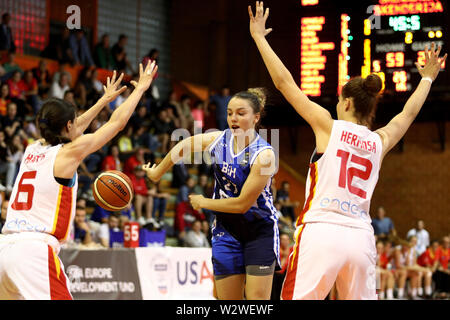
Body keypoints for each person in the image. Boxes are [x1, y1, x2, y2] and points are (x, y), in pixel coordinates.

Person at [248, 2, 447, 300]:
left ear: (348, 103)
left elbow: (284, 83)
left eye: (339, 101)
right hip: (360, 237)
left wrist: (260, 38)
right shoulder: (380, 140)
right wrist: (428, 78)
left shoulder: (327, 126)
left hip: (322, 230)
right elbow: (407, 114)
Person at [0, 61, 157, 299]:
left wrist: (103, 101)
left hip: (5, 248)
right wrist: (140, 89)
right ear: (68, 125)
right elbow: (117, 124)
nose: (79, 123)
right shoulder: (68, 153)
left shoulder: (33, 148)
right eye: (74, 120)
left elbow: (74, 128)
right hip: (33, 252)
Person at [144, 86, 279, 300]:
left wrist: (204, 202)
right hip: (226, 229)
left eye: (241, 113)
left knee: (256, 301)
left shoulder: (264, 155)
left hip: (258, 230)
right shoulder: (218, 140)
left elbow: (242, 204)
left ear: (256, 118)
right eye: (229, 113)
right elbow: (185, 144)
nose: (233, 118)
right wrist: (157, 173)